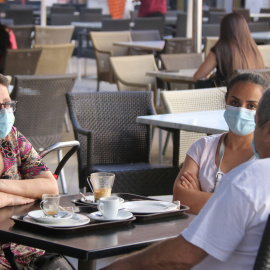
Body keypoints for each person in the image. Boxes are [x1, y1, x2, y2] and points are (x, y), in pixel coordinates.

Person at [101, 87, 270, 270]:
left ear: (267, 131)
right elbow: (182, 197)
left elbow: (181, 257)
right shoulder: (211, 152)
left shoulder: (248, 179)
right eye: (235, 102)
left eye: (256, 120)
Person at [173, 72, 269, 215]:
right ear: (226, 102)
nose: (241, 110)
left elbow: (250, 209)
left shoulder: (264, 156)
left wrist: (198, 196)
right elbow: (181, 199)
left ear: (261, 110)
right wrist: (234, 203)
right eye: (235, 103)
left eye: (251, 106)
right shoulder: (202, 148)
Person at [0, 74, 58, 268]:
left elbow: (49, 186)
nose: (5, 111)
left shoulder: (12, 138)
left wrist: (2, 187)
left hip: (29, 246)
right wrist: (12, 198)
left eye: (7, 104)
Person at [193, 12, 265, 87]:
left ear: (223, 30)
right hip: (254, 96)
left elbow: (197, 78)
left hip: (227, 96)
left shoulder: (221, 49)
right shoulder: (253, 48)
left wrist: (211, 76)